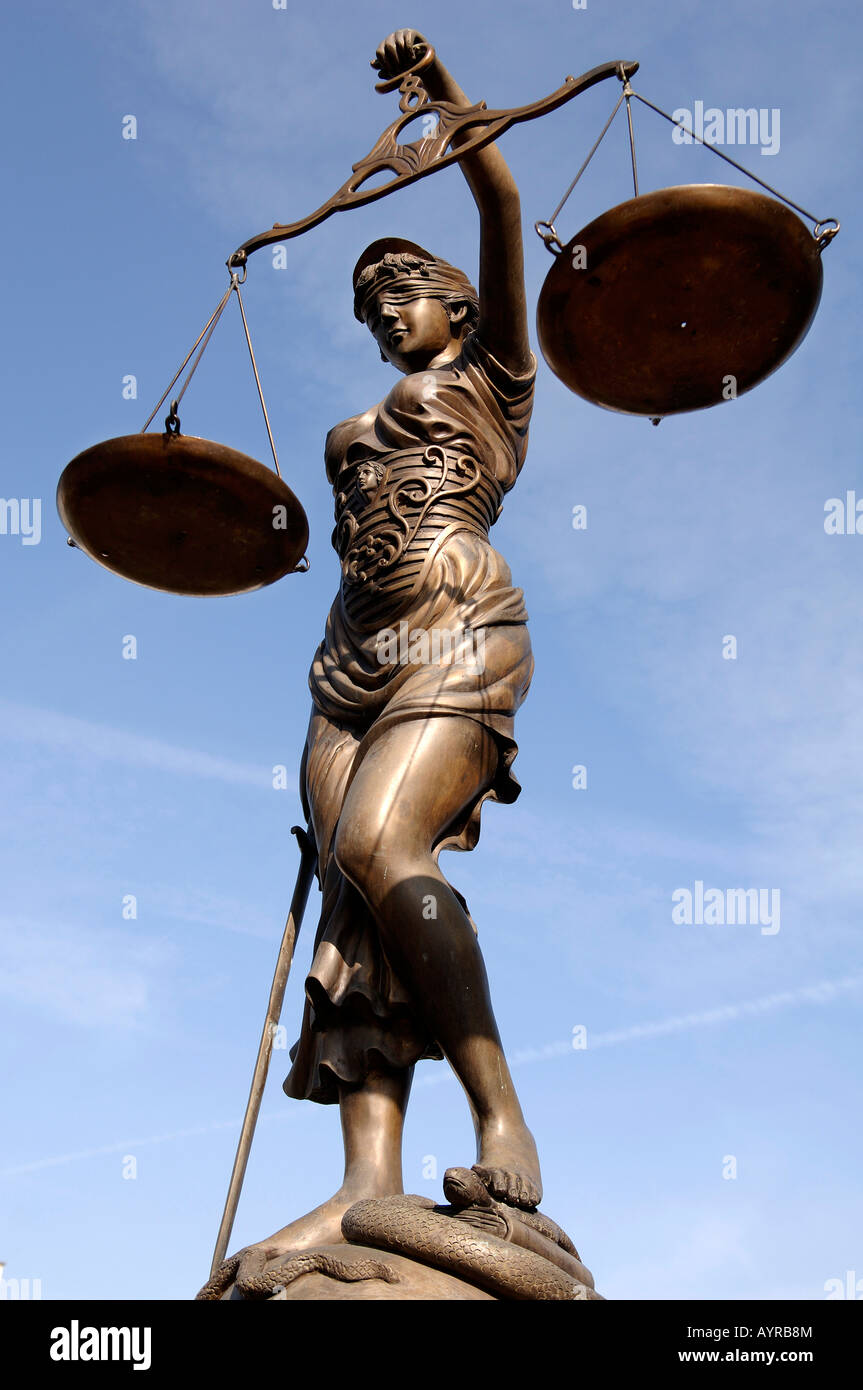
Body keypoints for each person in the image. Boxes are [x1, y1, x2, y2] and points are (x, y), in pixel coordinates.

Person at [240, 29, 542, 1265]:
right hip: (342, 662)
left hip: (456, 631)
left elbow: (500, 192)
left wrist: (445, 93)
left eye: (398, 296)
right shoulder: (343, 433)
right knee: (351, 903)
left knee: (380, 841)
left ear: (458, 306)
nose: (380, 318)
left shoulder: (495, 379)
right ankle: (366, 1183)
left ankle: (500, 1111)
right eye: (366, 309)